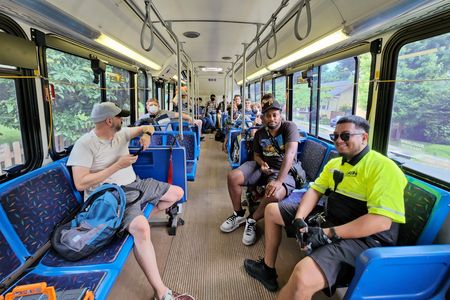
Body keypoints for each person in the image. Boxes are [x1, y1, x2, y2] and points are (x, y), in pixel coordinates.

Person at [243, 115, 407, 299]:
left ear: (364, 138)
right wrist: (299, 219)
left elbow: (381, 222)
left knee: (302, 276)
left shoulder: (382, 168)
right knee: (272, 211)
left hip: (366, 238)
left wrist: (327, 233)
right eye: (334, 136)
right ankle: (267, 269)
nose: (338, 140)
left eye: (345, 136)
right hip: (334, 217)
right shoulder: (335, 163)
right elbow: (314, 191)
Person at [67, 102, 193, 300]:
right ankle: (162, 292)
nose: (122, 120)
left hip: (135, 184)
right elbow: (81, 183)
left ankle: (129, 222)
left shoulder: (122, 133)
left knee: (177, 193)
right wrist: (117, 166)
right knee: (142, 228)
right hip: (110, 196)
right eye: (119, 117)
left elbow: (148, 125)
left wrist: (146, 135)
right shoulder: (85, 144)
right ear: (109, 120)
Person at [220, 94, 299, 246]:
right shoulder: (260, 133)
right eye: (268, 115)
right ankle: (238, 214)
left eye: (275, 115)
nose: (272, 119)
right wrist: (261, 163)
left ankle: (252, 220)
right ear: (263, 117)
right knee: (233, 177)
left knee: (275, 192)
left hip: (284, 170)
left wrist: (279, 181)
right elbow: (256, 155)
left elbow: (290, 154)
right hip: (262, 167)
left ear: (280, 115)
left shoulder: (289, 127)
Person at [138, 98, 203, 136]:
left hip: (168, 136)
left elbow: (179, 115)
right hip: (152, 137)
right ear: (147, 107)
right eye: (151, 105)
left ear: (158, 106)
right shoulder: (143, 118)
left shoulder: (164, 112)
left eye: (155, 105)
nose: (153, 106)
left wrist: (191, 118)